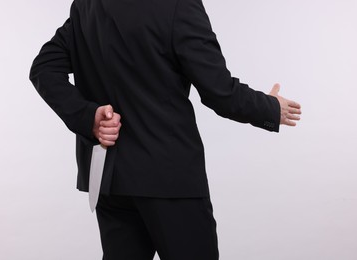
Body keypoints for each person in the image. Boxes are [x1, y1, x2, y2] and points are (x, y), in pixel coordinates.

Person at [29, 0, 301, 259]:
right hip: (167, 179)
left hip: (111, 181)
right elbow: (220, 92)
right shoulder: (177, 5)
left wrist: (89, 118)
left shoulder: (87, 5)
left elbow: (43, 68)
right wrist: (270, 108)